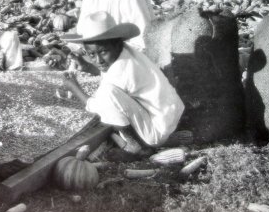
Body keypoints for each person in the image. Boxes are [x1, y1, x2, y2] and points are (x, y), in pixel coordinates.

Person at [61, 11, 185, 153]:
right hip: (170, 116)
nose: (98, 60)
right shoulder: (127, 52)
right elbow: (109, 69)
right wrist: (86, 66)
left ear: (117, 45)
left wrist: (74, 87)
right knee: (112, 92)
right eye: (91, 54)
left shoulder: (121, 73)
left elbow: (96, 106)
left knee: (108, 94)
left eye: (103, 52)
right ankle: (163, 138)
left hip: (156, 130)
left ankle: (135, 146)